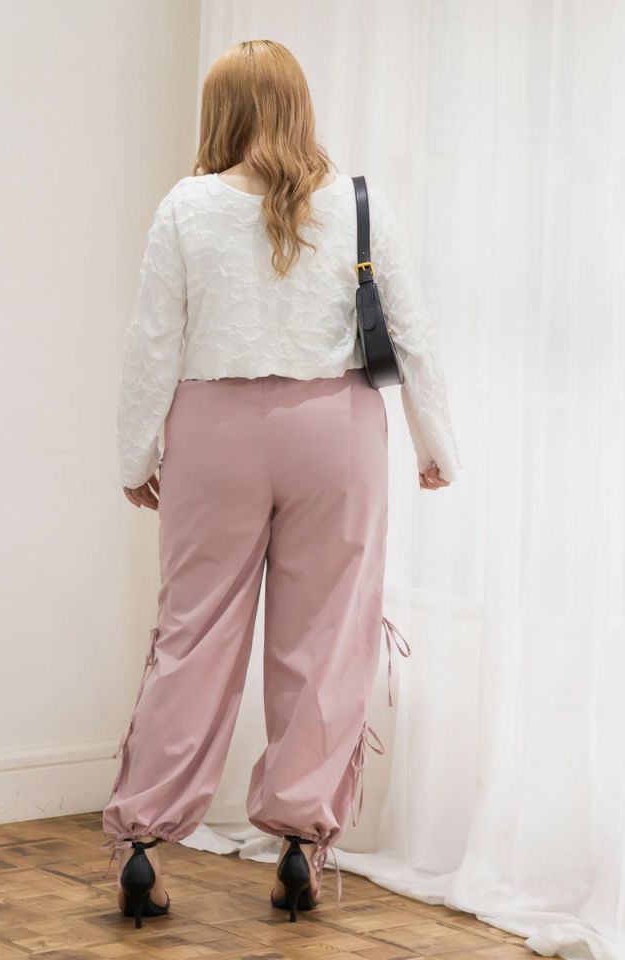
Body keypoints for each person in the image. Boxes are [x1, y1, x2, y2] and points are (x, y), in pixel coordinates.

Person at [99, 39, 462, 927]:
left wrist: (136, 455)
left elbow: (153, 339)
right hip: (334, 432)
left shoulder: (186, 206)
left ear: (219, 113)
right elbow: (411, 331)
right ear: (299, 105)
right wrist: (435, 441)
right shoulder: (357, 203)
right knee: (328, 634)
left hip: (213, 434)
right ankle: (300, 840)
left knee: (193, 633)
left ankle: (143, 842)